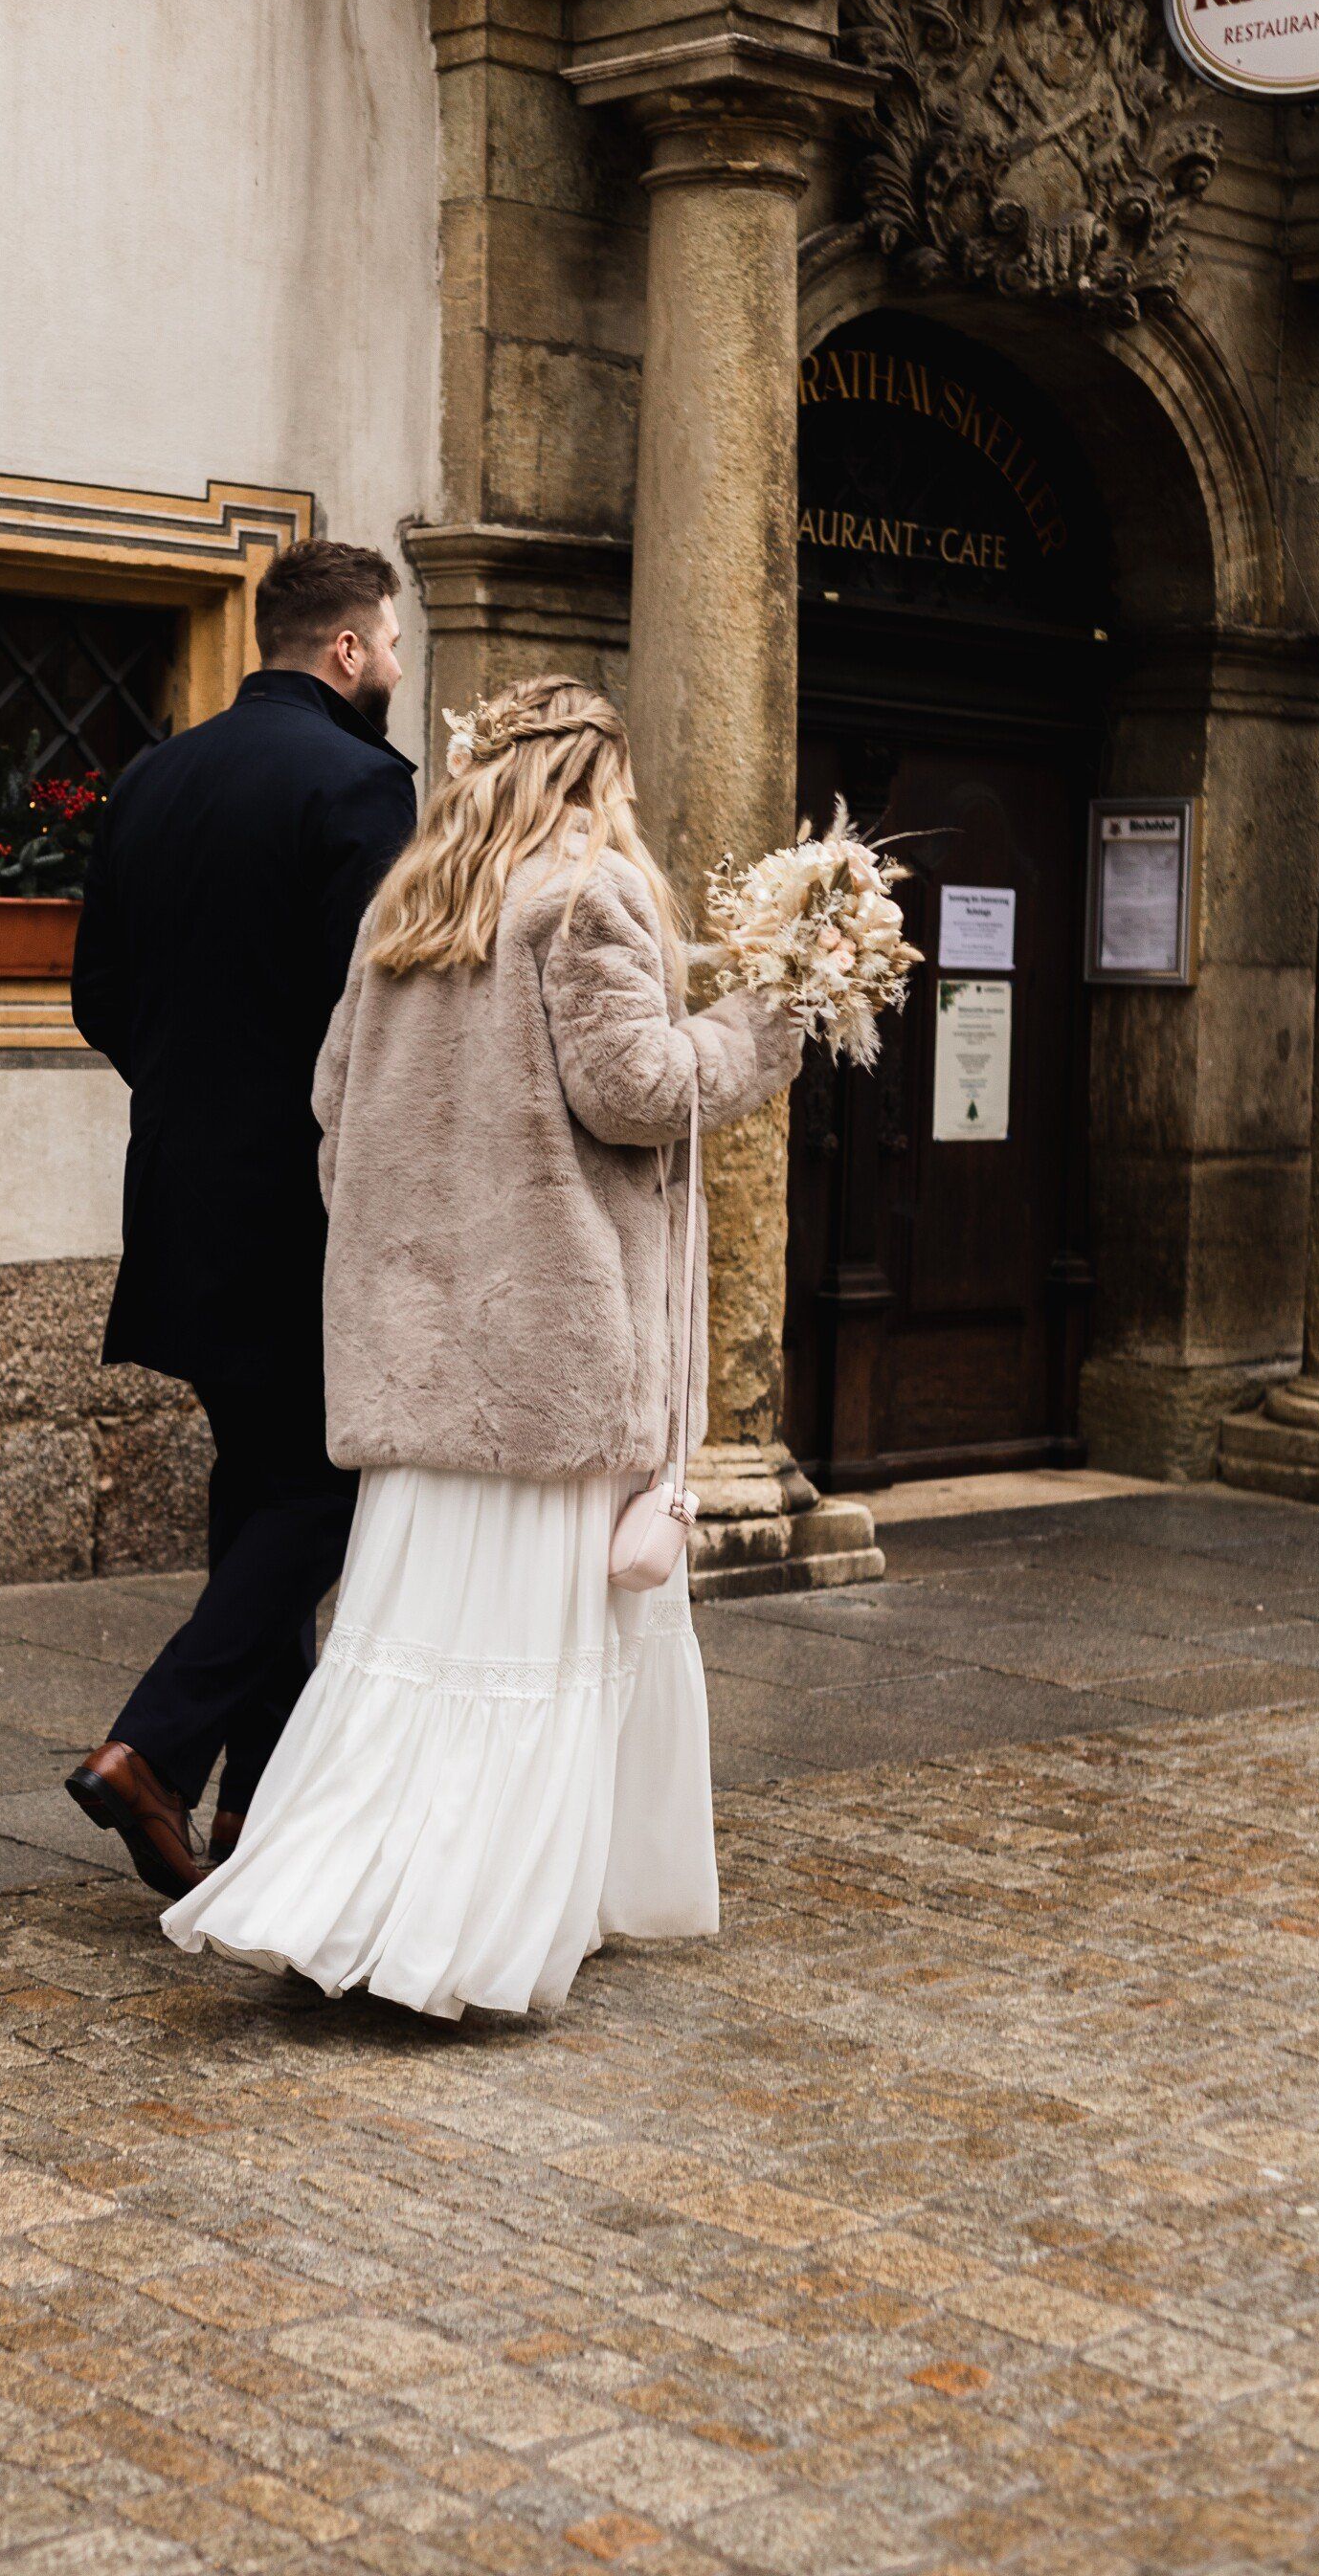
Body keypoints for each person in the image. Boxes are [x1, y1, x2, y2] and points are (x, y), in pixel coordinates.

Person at [162, 677, 803, 2018]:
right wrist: (765, 1023)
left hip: (419, 1357)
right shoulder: (585, 895)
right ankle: (468, 1932)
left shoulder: (405, 912)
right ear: (593, 773)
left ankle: (332, 1894)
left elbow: (333, 1104)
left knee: (408, 1645)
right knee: (533, 1647)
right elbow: (639, 1093)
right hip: (550, 1357)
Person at [65, 540, 417, 1897]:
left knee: (259, 1482)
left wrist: (195, 1096)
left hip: (178, 1194)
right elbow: (382, 1020)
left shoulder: (152, 776)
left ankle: (251, 1812)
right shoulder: (363, 784)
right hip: (306, 1206)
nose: (391, 666)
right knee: (327, 1490)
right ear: (344, 651)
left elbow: (98, 996)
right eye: (386, 645)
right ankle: (152, 1750)